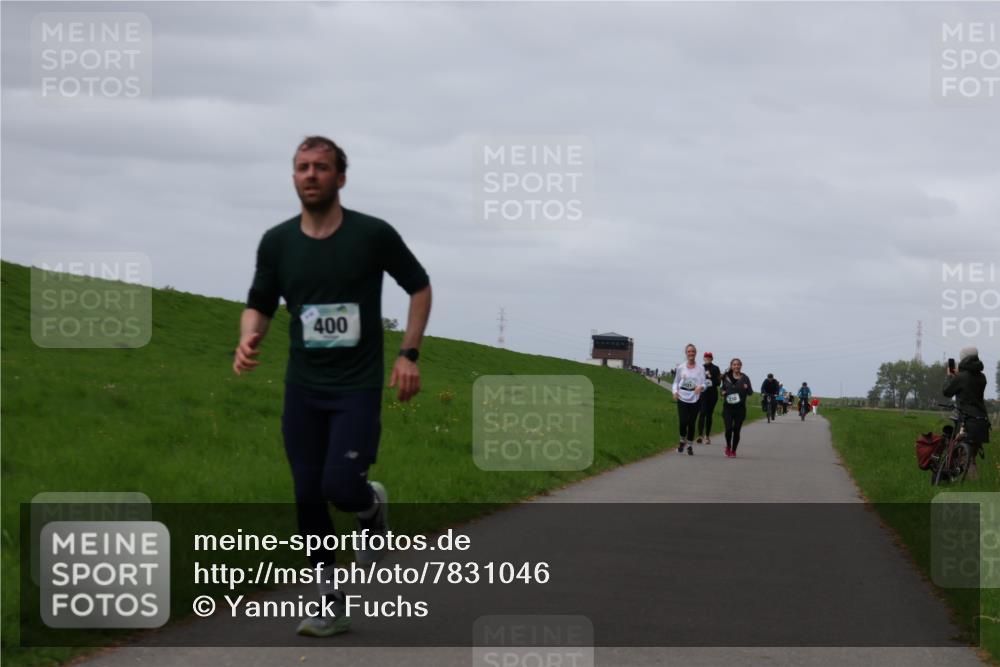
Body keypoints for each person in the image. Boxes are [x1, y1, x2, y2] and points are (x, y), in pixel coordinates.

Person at [233, 136, 432, 637]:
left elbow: (419, 286)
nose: (311, 175)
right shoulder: (277, 242)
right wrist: (247, 337)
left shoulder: (372, 235)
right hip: (303, 388)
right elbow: (259, 301)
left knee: (339, 487)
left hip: (356, 388)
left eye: (321, 167)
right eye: (302, 167)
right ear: (294, 176)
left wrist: (408, 354)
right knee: (306, 494)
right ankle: (329, 600)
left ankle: (370, 505)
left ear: (340, 177)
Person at [943, 346, 990, 478]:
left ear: (963, 359)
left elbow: (947, 392)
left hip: (966, 421)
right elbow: (970, 385)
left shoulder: (961, 377)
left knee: (964, 457)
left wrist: (950, 377)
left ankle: (969, 486)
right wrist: (959, 375)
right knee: (971, 457)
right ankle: (971, 486)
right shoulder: (982, 377)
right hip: (981, 421)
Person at [672, 343, 706, 455]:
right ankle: (682, 441)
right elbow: (675, 382)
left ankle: (690, 446)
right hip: (682, 398)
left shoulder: (700, 368)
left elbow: (704, 384)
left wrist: (700, 387)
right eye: (689, 351)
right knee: (683, 422)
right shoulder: (681, 367)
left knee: (691, 423)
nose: (691, 353)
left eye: (693, 351)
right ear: (686, 353)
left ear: (695, 353)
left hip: (695, 399)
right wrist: (675, 392)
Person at [720, 358, 753, 457]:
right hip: (728, 408)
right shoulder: (726, 377)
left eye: (738, 365)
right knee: (728, 429)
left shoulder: (745, 378)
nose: (736, 366)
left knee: (737, 430)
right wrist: (722, 392)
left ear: (741, 366)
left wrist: (747, 388)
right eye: (734, 365)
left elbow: (750, 392)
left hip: (740, 409)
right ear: (731, 366)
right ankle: (728, 446)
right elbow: (722, 388)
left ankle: (733, 450)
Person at [696, 352, 721, 445]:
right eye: (706, 357)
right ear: (703, 358)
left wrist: (710, 378)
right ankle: (699, 436)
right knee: (702, 413)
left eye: (709, 357)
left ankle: (707, 436)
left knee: (709, 415)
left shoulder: (716, 368)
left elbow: (718, 383)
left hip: (712, 394)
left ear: (712, 359)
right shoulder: (700, 368)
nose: (707, 358)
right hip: (702, 394)